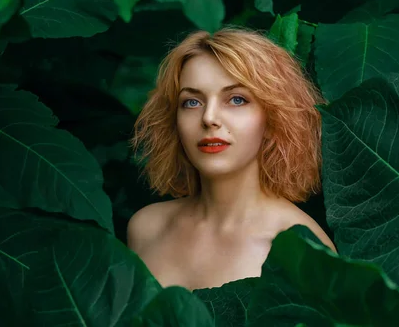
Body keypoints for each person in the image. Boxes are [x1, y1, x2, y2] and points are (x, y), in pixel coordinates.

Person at [127, 26, 337, 291]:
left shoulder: (305, 250)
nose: (209, 117)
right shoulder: (146, 228)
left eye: (236, 99)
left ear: (274, 119)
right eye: (192, 102)